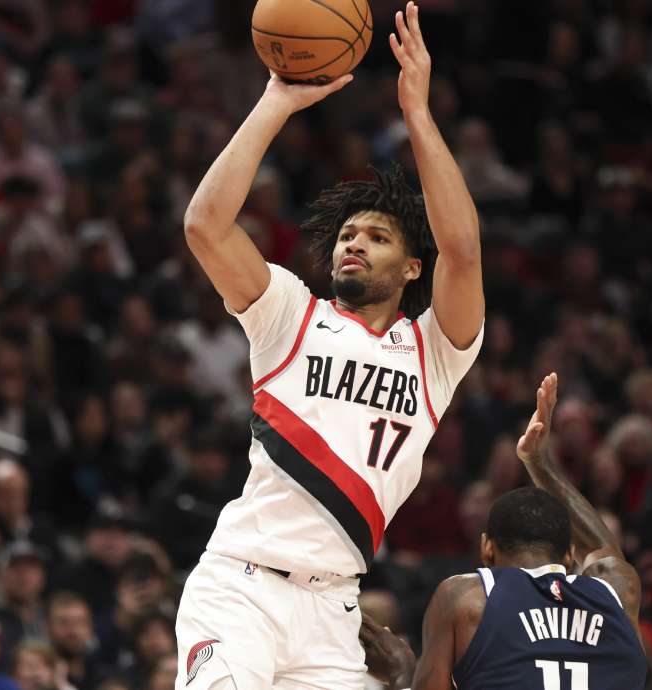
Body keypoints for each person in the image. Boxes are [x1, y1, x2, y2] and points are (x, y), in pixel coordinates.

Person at [174, 3, 485, 688]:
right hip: (242, 586)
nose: (354, 244)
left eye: (376, 237)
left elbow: (462, 250)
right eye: (347, 235)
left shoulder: (434, 354)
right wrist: (276, 102)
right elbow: (204, 226)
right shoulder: (290, 313)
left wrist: (418, 115)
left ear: (412, 269)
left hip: (334, 607)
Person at [365, 373, 646, 689]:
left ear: (487, 548)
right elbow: (602, 549)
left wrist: (400, 672)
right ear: (569, 555)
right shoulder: (618, 593)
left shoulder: (467, 598)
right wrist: (539, 462)